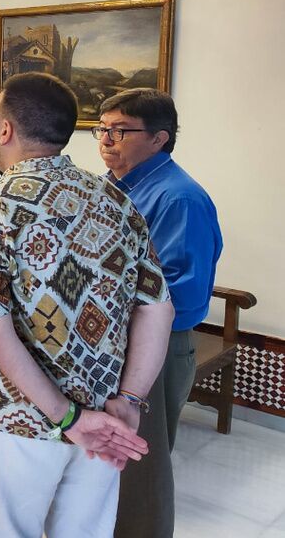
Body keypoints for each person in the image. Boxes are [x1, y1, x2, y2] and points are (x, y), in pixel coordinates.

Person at [0, 72, 174, 537]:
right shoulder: (117, 200)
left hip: (15, 421)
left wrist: (67, 417)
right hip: (104, 418)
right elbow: (158, 308)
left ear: (6, 129)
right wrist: (129, 403)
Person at [94, 88, 223, 538]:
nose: (107, 140)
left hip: (158, 347)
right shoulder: (110, 186)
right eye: (102, 129)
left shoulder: (178, 199)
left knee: (139, 458)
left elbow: (179, 296)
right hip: (109, 340)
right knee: (105, 451)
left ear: (159, 138)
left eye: (121, 131)